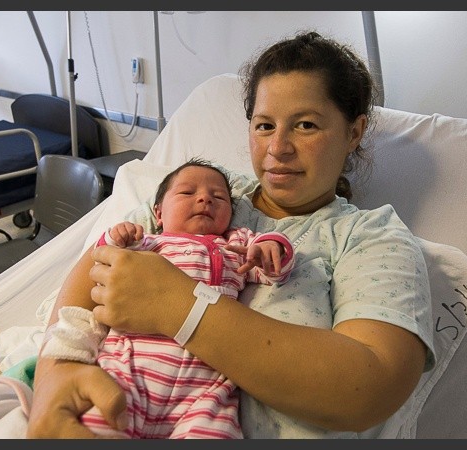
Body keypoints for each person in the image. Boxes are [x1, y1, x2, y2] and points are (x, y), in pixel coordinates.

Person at [27, 30, 436, 439]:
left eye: (306, 125)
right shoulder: (209, 190)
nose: (278, 148)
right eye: (264, 125)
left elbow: (370, 387)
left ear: (354, 132)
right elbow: (100, 262)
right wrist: (54, 376)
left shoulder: (370, 236)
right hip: (122, 409)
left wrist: (177, 305)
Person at [40, 158, 295, 439]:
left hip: (205, 391)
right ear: (158, 213)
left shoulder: (235, 245)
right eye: (187, 192)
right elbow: (102, 262)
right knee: (99, 421)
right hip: (128, 372)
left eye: (219, 197)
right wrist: (115, 238)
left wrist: (271, 249)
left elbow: (272, 270)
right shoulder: (148, 243)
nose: (205, 199)